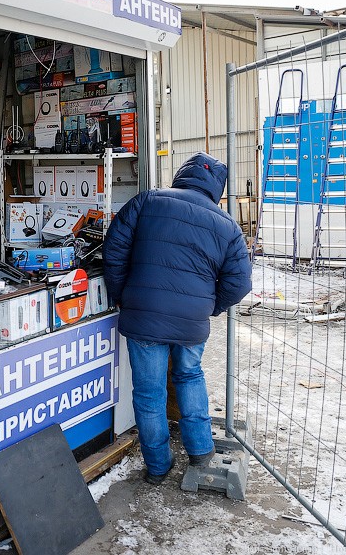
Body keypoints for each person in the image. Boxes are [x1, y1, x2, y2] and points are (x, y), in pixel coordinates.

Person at [103, 152, 252, 484]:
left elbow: (113, 251)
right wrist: (209, 306)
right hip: (191, 322)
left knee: (149, 392)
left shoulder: (147, 201)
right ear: (217, 187)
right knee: (190, 376)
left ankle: (157, 466)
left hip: (143, 316)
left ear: (183, 174)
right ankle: (200, 449)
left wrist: (122, 295)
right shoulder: (227, 225)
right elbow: (240, 283)